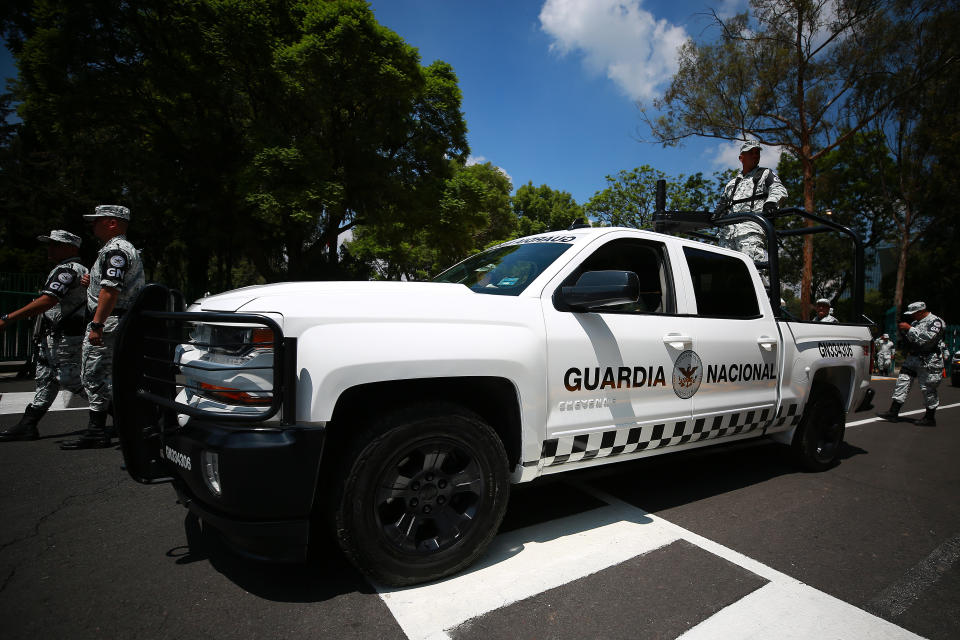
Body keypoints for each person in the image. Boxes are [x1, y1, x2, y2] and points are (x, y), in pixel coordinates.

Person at [60, 205, 145, 450]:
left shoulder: (116, 250)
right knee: (108, 377)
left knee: (94, 375)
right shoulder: (120, 249)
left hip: (108, 323)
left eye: (97, 221)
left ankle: (98, 431)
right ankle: (126, 424)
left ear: (112, 223)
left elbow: (111, 290)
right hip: (117, 321)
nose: (93, 226)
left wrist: (96, 324)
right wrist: (91, 283)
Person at [0, 230, 89, 441]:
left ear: (72, 248)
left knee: (72, 380)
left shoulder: (68, 270)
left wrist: (8, 318)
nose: (50, 249)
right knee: (46, 380)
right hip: (54, 336)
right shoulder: (67, 269)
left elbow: (48, 300)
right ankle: (28, 424)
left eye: (56, 245)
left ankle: (122, 414)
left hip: (67, 337)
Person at [715, 141, 788, 264]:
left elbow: (779, 189)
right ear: (741, 158)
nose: (755, 155)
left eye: (757, 152)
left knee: (752, 269)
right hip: (727, 234)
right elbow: (721, 204)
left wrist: (771, 203)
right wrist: (717, 214)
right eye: (750, 152)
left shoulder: (765, 174)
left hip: (750, 231)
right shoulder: (732, 183)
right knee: (725, 271)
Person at [877, 301, 945, 426]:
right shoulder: (915, 323)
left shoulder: (936, 322)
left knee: (928, 388)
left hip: (929, 360)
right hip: (913, 358)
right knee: (902, 382)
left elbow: (928, 338)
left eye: (913, 313)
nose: (912, 316)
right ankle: (893, 412)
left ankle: (930, 418)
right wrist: (905, 333)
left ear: (921, 311)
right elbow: (911, 340)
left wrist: (909, 329)